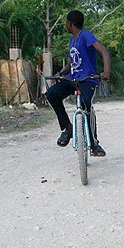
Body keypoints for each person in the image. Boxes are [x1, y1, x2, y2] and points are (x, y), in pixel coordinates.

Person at [46, 10, 110, 156]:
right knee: (52, 94)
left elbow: (104, 52)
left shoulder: (85, 35)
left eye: (66, 22)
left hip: (87, 80)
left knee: (86, 105)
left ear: (70, 23)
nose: (66, 25)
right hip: (73, 79)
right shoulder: (72, 41)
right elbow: (71, 65)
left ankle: (94, 144)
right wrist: (61, 73)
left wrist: (106, 72)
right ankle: (68, 128)